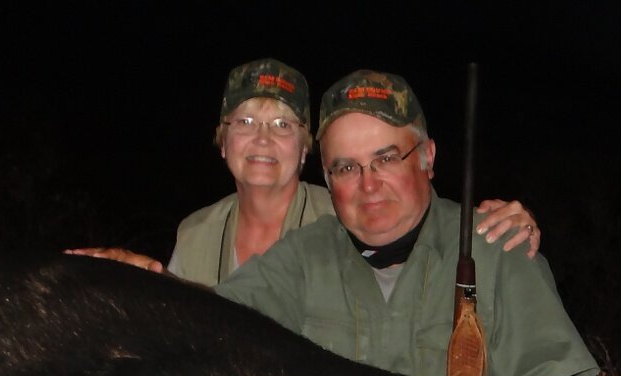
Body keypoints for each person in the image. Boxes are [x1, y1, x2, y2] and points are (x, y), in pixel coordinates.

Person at [214, 70, 596, 376]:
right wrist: (153, 283)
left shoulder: (497, 246)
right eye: (347, 167)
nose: (368, 184)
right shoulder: (304, 256)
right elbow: (212, 319)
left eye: (386, 158)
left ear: (427, 157)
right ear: (328, 181)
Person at [72, 59, 541, 286]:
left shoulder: (348, 216)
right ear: (222, 141)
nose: (261, 139)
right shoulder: (196, 232)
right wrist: (143, 283)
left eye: (282, 125)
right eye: (245, 123)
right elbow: (187, 328)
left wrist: (496, 228)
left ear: (304, 149)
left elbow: (426, 246)